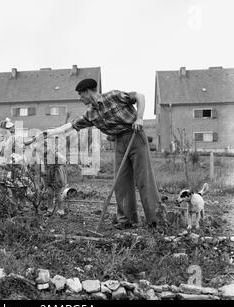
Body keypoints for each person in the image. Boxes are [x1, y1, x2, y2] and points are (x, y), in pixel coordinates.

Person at [29, 78, 161, 229]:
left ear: (88, 91)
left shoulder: (113, 96)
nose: (80, 98)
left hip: (135, 135)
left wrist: (139, 118)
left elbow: (140, 96)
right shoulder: (91, 114)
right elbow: (70, 126)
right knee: (121, 182)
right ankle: (127, 221)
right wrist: (47, 133)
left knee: (144, 179)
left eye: (81, 94)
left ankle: (156, 220)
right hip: (119, 141)